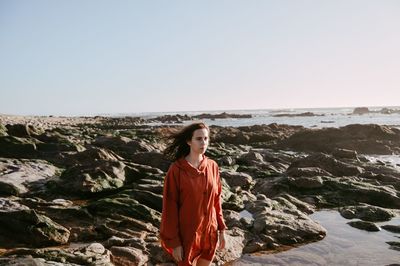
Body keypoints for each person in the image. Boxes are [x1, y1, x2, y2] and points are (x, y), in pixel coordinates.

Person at [160, 122, 227, 266]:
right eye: (199, 139)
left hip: (209, 232)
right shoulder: (176, 170)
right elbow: (170, 208)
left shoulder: (212, 166)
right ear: (189, 141)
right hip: (187, 235)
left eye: (206, 138)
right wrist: (175, 243)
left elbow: (217, 200)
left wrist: (221, 230)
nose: (203, 142)